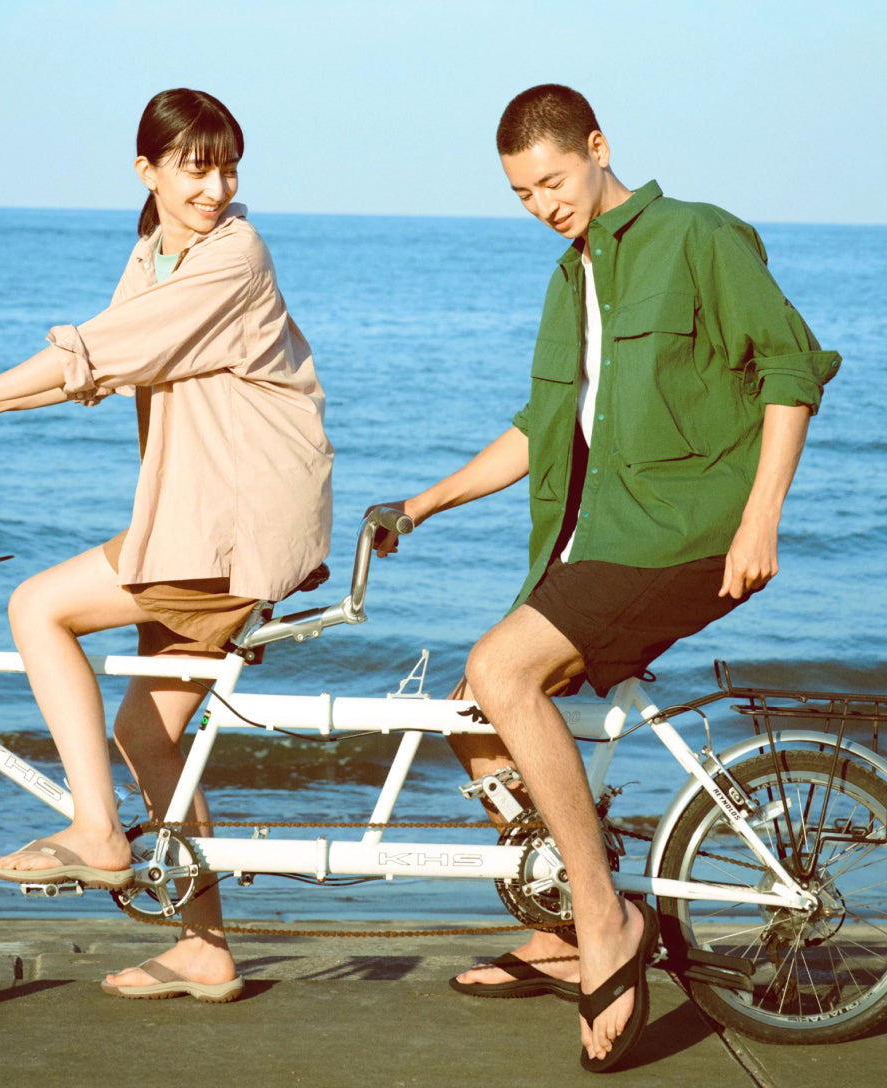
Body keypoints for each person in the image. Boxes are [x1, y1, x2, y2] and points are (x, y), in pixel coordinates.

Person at [372, 84, 840, 1071]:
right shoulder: (569, 277)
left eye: (552, 180)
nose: (542, 204)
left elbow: (791, 368)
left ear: (597, 146)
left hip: (686, 534)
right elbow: (540, 428)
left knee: (501, 669)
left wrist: (761, 516)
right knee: (472, 716)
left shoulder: (698, 236)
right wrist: (421, 503)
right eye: (521, 193)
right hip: (595, 544)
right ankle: (556, 928)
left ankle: (605, 918)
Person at [0, 88, 333, 1002]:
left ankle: (98, 832)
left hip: (232, 524)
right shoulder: (153, 253)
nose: (216, 188)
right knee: (145, 730)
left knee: (37, 607)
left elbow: (95, 352)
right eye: (196, 170)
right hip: (197, 515)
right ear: (146, 171)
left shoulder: (233, 255)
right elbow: (97, 367)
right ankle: (204, 947)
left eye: (227, 169)